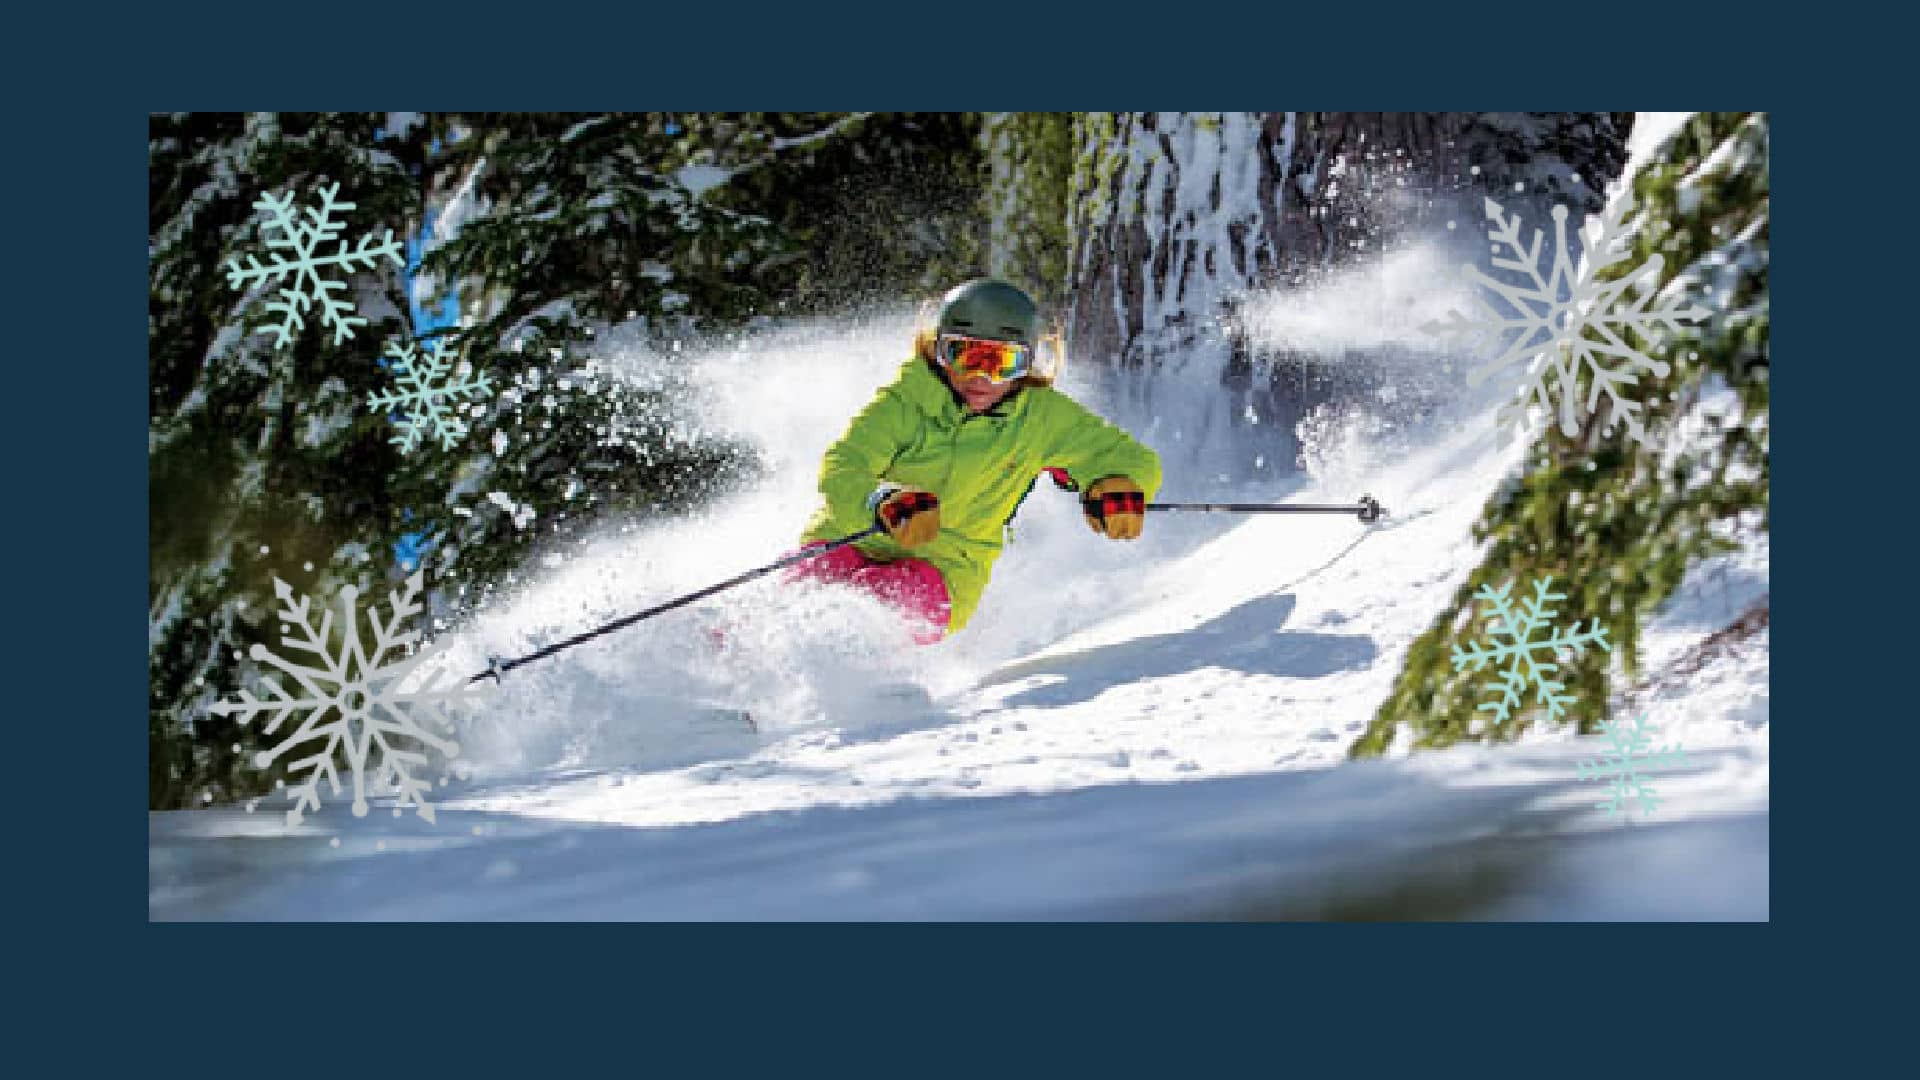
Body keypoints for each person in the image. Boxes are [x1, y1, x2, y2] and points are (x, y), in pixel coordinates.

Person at [790, 279, 1163, 644]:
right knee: (808, 587)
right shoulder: (909, 400)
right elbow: (845, 462)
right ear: (940, 351)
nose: (980, 377)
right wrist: (879, 500)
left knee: (883, 600)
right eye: (965, 356)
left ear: (1027, 363)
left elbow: (1130, 459)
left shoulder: (1041, 418)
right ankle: (744, 656)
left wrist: (1119, 484)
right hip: (855, 533)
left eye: (1001, 362)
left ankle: (841, 677)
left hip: (945, 566)